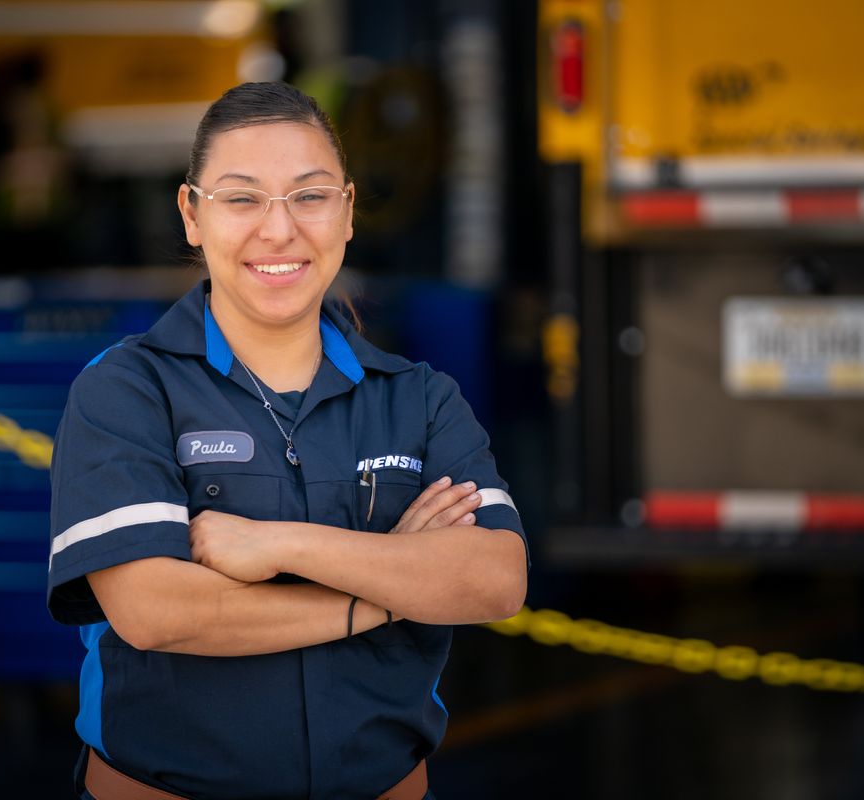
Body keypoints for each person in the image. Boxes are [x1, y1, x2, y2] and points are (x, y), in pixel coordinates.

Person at [47, 81, 528, 800]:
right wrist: (392, 589)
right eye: (242, 199)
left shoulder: (419, 399)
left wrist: (278, 546)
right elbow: (156, 611)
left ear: (347, 212)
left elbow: (493, 579)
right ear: (191, 215)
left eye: (309, 196)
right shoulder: (125, 391)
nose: (279, 231)